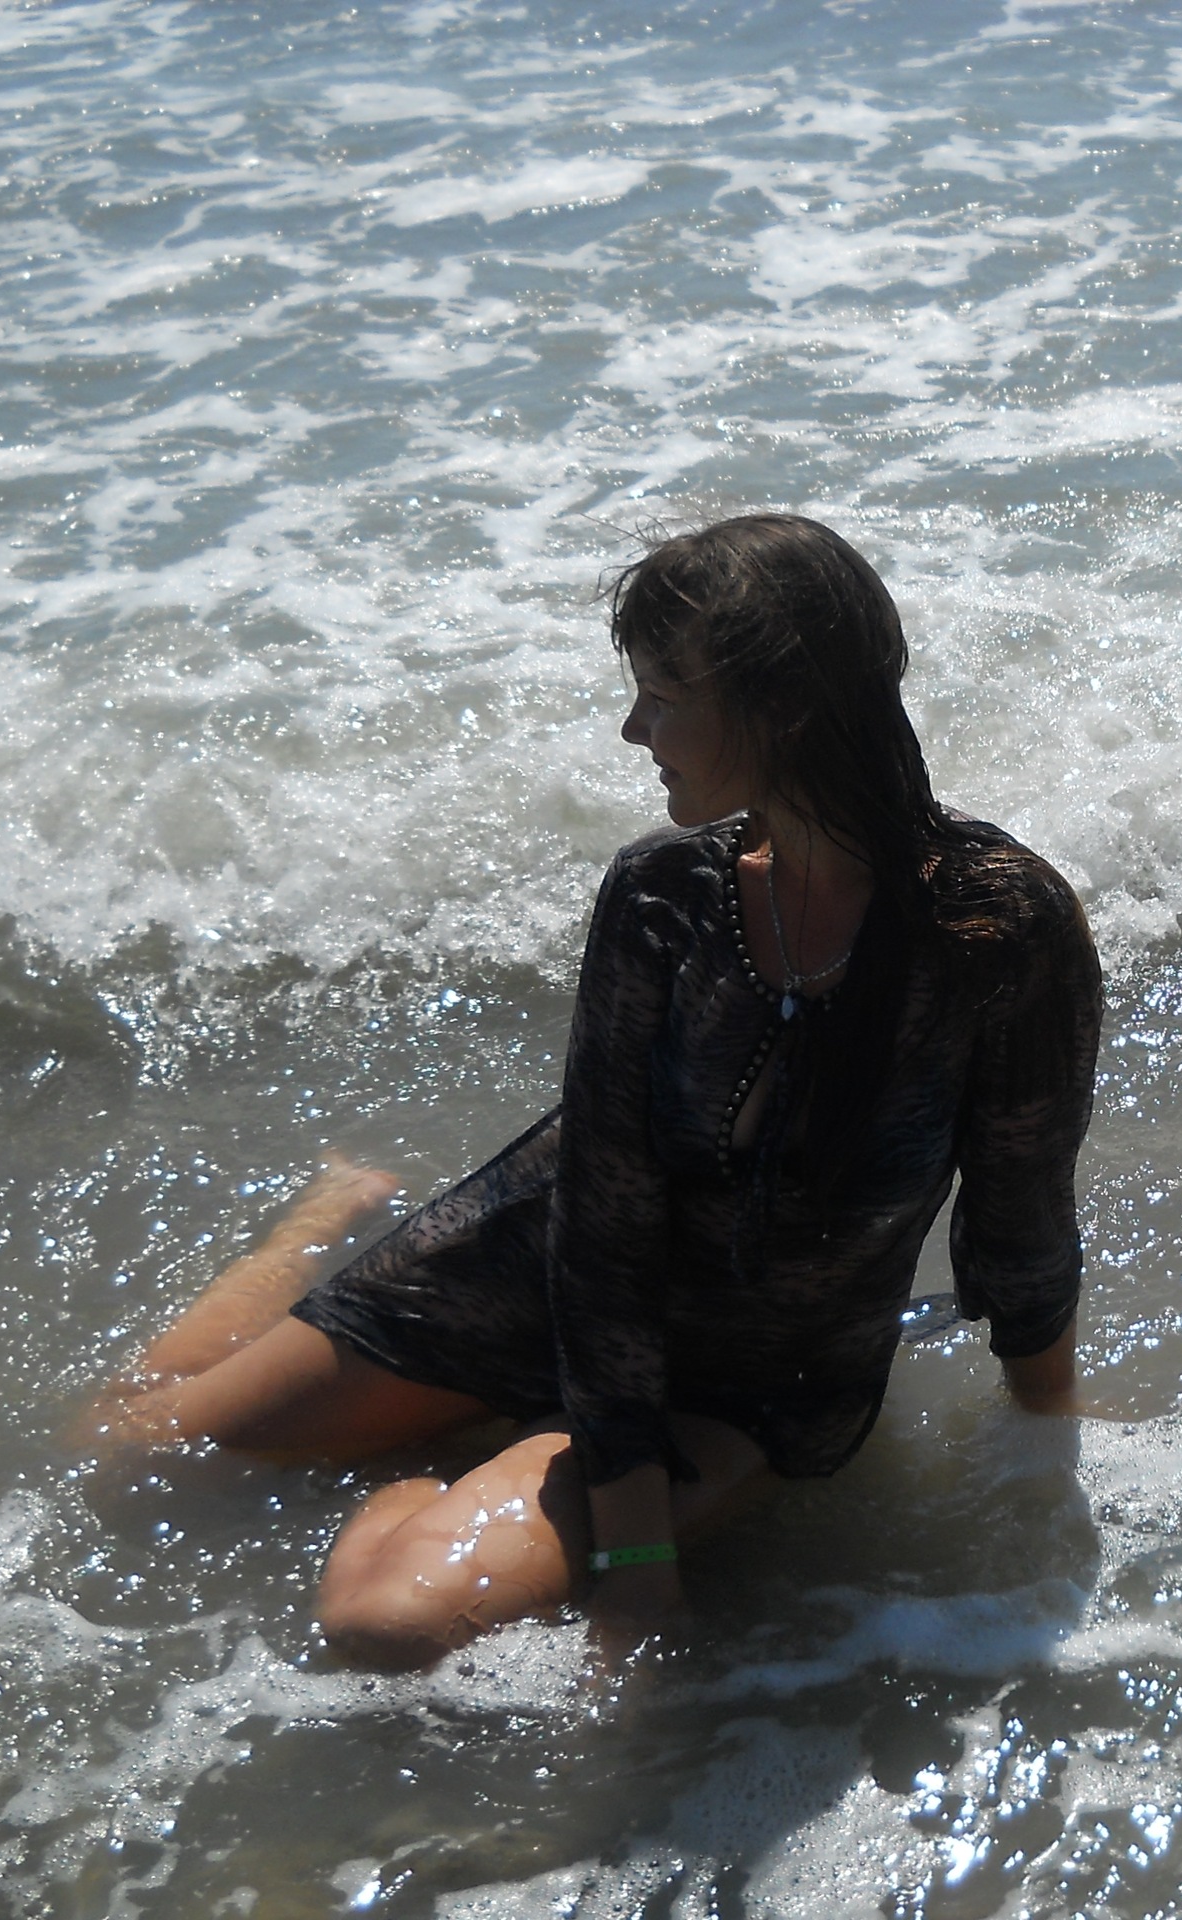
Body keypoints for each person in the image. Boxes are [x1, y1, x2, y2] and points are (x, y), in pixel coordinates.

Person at [77, 514, 1102, 1667]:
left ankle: (476, 1447)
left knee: (386, 1622)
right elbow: (604, 1236)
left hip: (749, 1383)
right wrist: (638, 1561)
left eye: (662, 696)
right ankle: (325, 1226)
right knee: (125, 1447)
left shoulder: (998, 926)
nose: (633, 730)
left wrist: (1044, 1432)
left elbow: (1020, 1210)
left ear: (783, 708)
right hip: (538, 1279)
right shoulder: (664, 896)